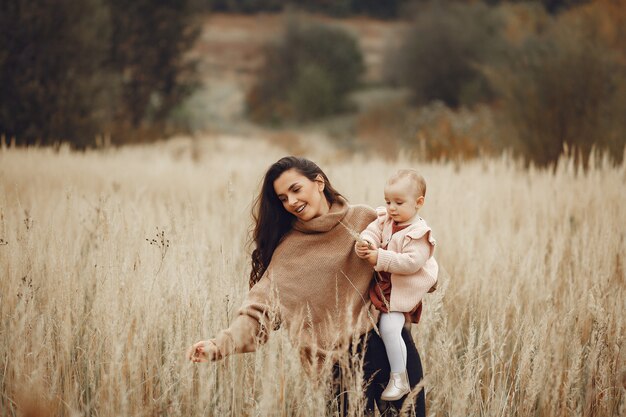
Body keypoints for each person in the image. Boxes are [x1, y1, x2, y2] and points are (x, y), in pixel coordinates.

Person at [187, 157, 427, 416]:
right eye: (282, 198)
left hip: (393, 350)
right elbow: (259, 311)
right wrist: (220, 345)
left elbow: (412, 253)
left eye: (295, 189)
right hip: (337, 367)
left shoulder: (366, 219)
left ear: (319, 182)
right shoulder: (288, 251)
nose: (291, 202)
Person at [355, 169, 438, 402]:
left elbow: (411, 263)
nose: (391, 207)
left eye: (399, 202)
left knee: (390, 328)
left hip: (402, 293)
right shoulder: (387, 220)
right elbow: (372, 231)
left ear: (419, 202)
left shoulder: (420, 233)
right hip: (383, 289)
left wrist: (379, 258)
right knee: (377, 328)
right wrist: (366, 243)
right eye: (388, 201)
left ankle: (399, 379)